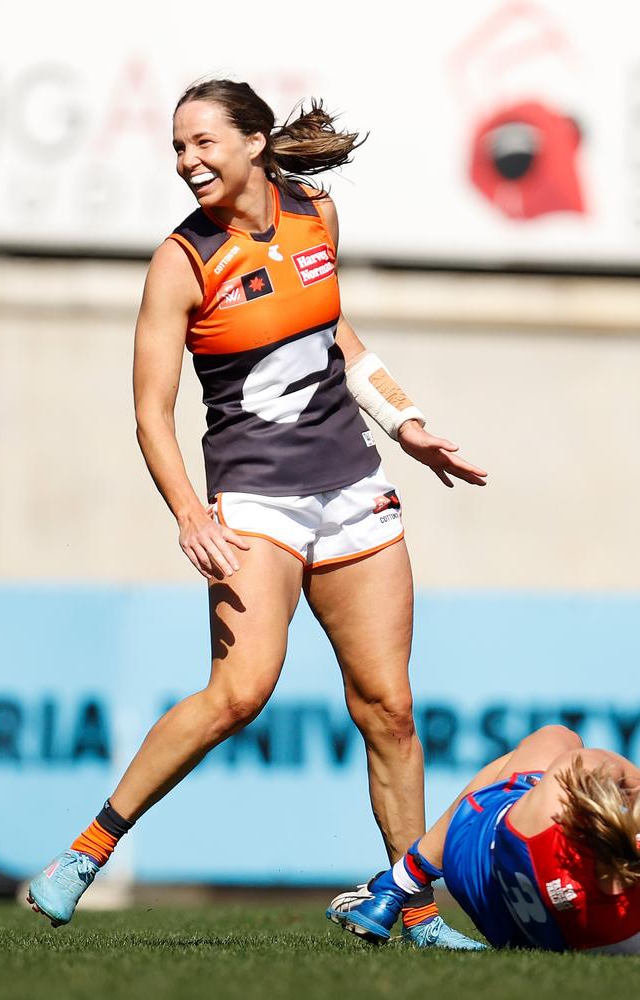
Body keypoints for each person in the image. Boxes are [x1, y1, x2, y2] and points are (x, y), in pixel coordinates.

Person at [27, 79, 487, 945]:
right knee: (240, 693)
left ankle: (411, 908)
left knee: (388, 707)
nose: (187, 162)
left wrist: (409, 426)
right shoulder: (182, 260)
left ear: (252, 142)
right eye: (176, 147)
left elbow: (336, 337)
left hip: (353, 487)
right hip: (257, 500)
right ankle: (84, 854)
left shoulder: (315, 213)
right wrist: (189, 512)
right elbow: (150, 412)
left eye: (202, 143)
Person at [327, 724, 640, 953]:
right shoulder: (624, 936)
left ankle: (399, 884)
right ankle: (400, 886)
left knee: (556, 738)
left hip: (471, 866)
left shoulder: (550, 812)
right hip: (520, 931)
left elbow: (604, 769)